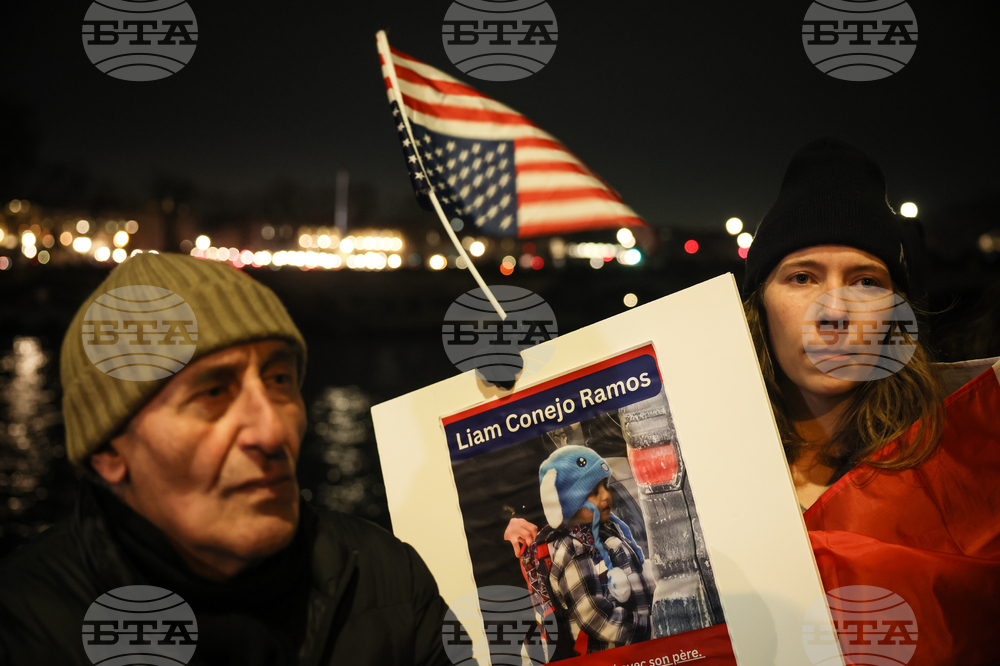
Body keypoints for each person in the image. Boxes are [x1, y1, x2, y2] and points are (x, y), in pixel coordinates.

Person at [0, 252, 459, 665]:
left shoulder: (388, 578)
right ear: (108, 451)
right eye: (214, 392)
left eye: (280, 379)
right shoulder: (24, 626)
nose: (273, 430)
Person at [742, 137, 1000, 664]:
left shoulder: (965, 469)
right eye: (801, 277)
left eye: (865, 281)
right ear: (759, 305)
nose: (835, 311)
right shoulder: (699, 459)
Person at [523, 445, 653, 658]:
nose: (606, 496)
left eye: (605, 486)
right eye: (593, 492)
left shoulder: (609, 528)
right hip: (615, 654)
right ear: (569, 503)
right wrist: (645, 629)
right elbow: (594, 616)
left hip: (641, 646)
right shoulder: (573, 549)